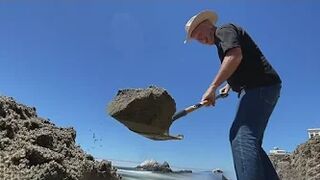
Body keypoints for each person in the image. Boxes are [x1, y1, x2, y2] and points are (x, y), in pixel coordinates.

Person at [184, 10, 282, 180]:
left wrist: (212, 87)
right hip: (261, 88)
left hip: (259, 86)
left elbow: (235, 56)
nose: (199, 39)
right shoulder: (221, 43)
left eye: (198, 33)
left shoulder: (224, 30)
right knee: (252, 143)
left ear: (207, 24)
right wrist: (228, 85)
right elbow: (240, 64)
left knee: (241, 137)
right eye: (195, 39)